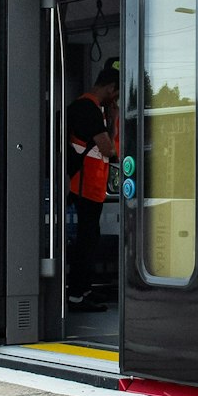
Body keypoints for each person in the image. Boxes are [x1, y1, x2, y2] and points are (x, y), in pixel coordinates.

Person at [66, 60, 119, 312]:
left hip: (90, 184)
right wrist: (114, 121)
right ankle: (77, 295)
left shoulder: (90, 108)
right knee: (86, 241)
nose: (115, 99)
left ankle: (84, 290)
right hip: (84, 183)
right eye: (116, 94)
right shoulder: (87, 108)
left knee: (90, 238)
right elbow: (109, 149)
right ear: (110, 88)